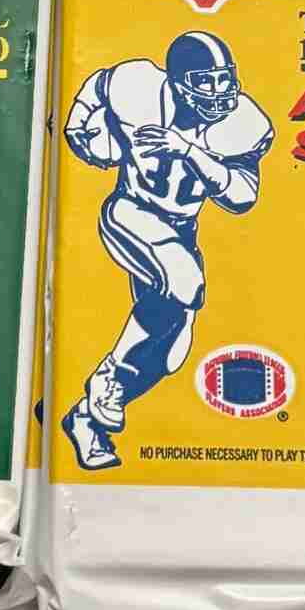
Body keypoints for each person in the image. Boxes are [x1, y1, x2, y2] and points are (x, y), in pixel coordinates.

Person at [60, 31, 272, 472]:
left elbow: (242, 196)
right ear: (176, 82)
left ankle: (82, 418)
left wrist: (189, 151)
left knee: (169, 353)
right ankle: (107, 376)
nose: (218, 91)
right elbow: (97, 86)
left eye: (224, 79)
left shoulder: (244, 122)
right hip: (130, 212)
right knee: (186, 283)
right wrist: (80, 129)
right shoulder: (137, 85)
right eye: (205, 81)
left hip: (182, 230)